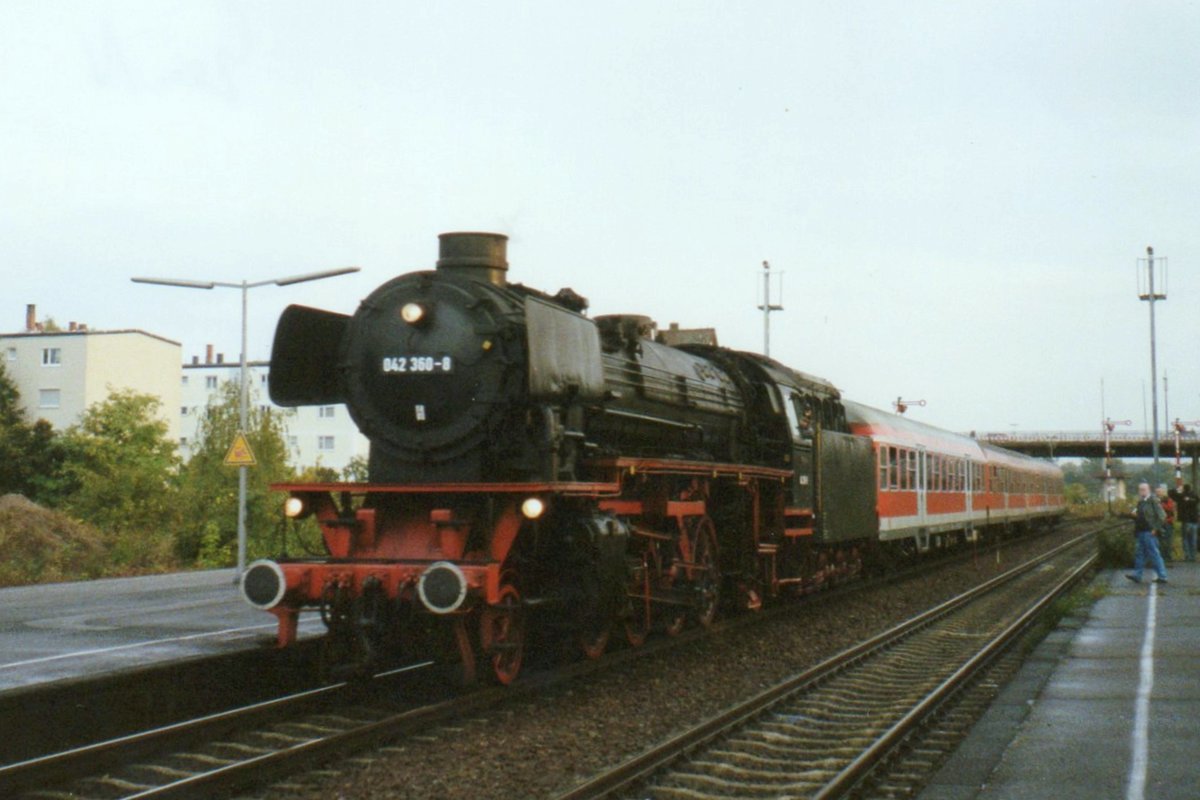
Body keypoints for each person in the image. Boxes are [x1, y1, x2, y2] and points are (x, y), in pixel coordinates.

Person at [1127, 481, 1168, 584]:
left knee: (1153, 553)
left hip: (1149, 531)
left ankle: (1162, 575)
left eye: (1144, 489)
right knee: (1139, 553)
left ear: (1148, 490)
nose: (1142, 491)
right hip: (1141, 531)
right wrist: (1134, 515)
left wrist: (1156, 528)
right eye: (1140, 489)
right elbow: (1140, 516)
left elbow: (1162, 516)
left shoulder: (1153, 501)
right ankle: (1137, 575)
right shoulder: (1141, 502)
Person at [1175, 483, 1199, 562]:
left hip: (1186, 520)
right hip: (1194, 520)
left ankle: (1187, 556)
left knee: (1185, 538)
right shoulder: (1194, 495)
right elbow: (1197, 500)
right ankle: (1193, 556)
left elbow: (1171, 493)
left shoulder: (1181, 496)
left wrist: (1178, 490)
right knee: (1193, 539)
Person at [1157, 484, 1176, 562]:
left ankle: (1168, 557)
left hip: (1168, 522)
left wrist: (1161, 505)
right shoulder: (1156, 500)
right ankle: (1162, 556)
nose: (1157, 493)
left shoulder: (1168, 500)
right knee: (1160, 540)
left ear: (1163, 492)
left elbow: (1171, 509)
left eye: (1159, 492)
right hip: (1159, 523)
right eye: (1157, 492)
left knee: (1168, 540)